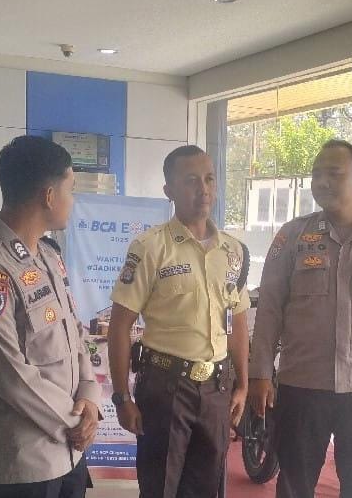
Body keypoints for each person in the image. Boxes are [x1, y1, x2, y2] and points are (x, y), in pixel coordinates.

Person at [248, 139, 352, 498]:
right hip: (301, 384)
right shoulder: (292, 236)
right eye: (316, 175)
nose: (322, 182)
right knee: (294, 484)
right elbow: (269, 310)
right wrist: (261, 372)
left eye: (333, 174)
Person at [0, 135, 100, 498]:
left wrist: (91, 397)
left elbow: (75, 335)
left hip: (69, 453)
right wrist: (75, 421)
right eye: (70, 189)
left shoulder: (48, 256)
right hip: (20, 461)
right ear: (49, 196)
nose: (73, 201)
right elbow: (10, 375)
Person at [107, 145, 250, 498]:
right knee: (161, 488)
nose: (203, 189)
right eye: (191, 181)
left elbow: (237, 321)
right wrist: (122, 396)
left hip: (216, 388)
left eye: (209, 179)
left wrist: (243, 385)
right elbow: (120, 325)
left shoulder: (233, 251)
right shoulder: (150, 247)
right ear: (169, 190)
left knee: (207, 487)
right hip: (165, 388)